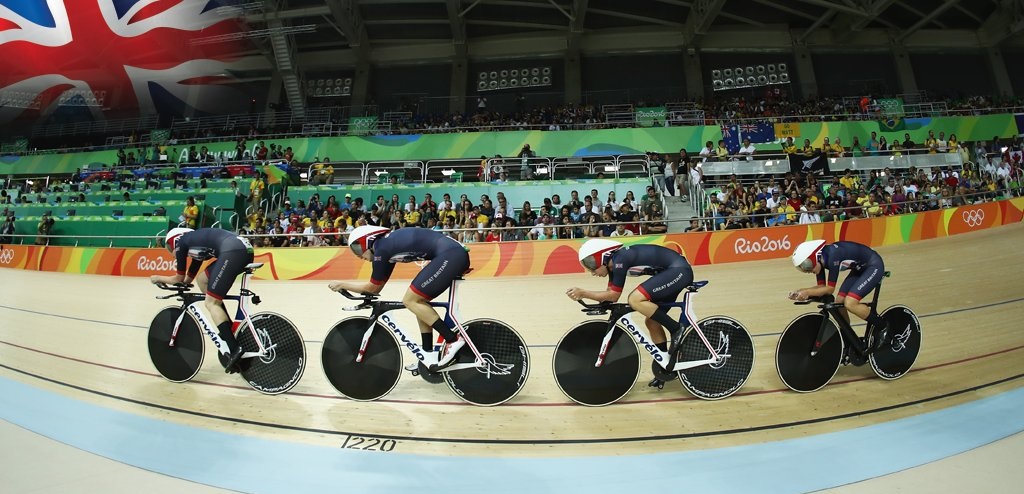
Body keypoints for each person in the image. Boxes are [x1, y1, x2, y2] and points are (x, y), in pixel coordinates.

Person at [328, 225, 469, 371]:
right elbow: (378, 286)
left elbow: (372, 288)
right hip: (451, 253)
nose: (358, 255)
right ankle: (427, 356)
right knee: (419, 302)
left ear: (367, 240)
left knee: (410, 300)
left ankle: (453, 339)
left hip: (450, 254)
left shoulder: (381, 250)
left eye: (357, 248)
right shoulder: (386, 248)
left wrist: (341, 284)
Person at [566, 239, 694, 384]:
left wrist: (583, 293)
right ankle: (665, 366)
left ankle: (677, 329)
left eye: (591, 265)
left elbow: (613, 296)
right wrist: (595, 300)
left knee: (635, 299)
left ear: (602, 257)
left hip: (678, 270)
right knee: (652, 321)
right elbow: (610, 295)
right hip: (672, 272)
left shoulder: (620, 259)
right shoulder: (614, 265)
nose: (592, 272)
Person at [149, 228, 254, 373]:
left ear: (175, 240)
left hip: (233, 251)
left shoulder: (181, 242)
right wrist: (184, 283)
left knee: (211, 303)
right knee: (202, 280)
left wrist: (157, 278)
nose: (170, 251)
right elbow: (187, 279)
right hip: (240, 249)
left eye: (169, 246)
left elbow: (178, 278)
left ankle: (235, 348)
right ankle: (227, 330)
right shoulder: (195, 243)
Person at [788, 240, 889, 351]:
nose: (807, 271)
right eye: (802, 268)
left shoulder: (833, 255)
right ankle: (850, 337)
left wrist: (807, 292)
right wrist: (800, 292)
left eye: (806, 266)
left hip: (873, 265)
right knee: (839, 302)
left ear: (813, 257)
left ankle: (883, 327)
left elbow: (830, 289)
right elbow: (821, 288)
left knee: (850, 303)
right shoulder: (819, 261)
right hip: (859, 268)